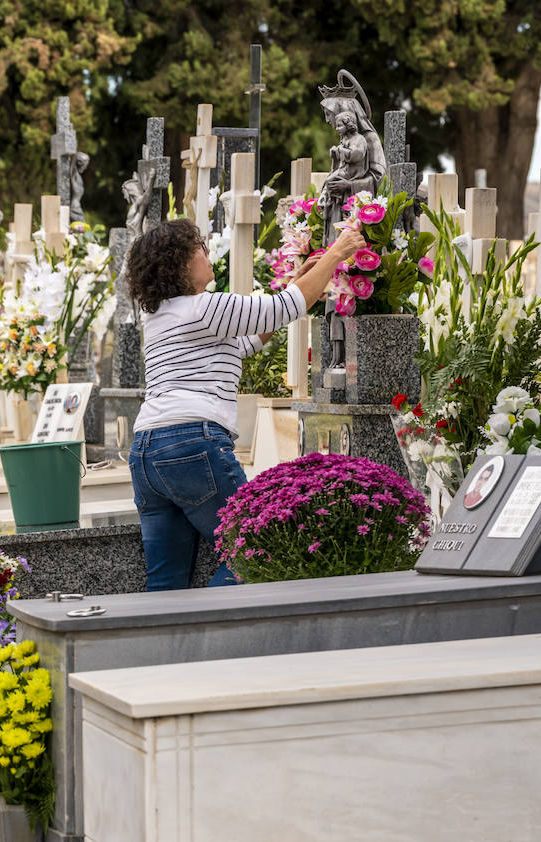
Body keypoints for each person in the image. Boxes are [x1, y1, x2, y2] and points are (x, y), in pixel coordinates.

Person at [125, 219, 366, 590]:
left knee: (166, 581)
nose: (207, 254)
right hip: (192, 443)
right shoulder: (204, 308)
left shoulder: (159, 317)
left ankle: (169, 647)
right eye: (200, 248)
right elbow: (286, 308)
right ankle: (213, 635)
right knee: (256, 548)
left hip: (147, 452)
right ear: (181, 262)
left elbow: (246, 341)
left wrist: (300, 282)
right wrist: (337, 253)